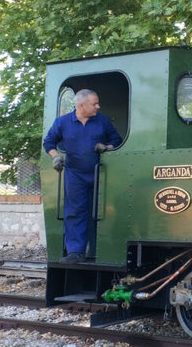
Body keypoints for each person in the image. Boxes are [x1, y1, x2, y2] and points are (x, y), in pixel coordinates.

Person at [43, 89, 122, 263]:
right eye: (94, 104)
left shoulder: (103, 121)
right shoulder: (62, 122)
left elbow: (116, 140)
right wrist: (55, 157)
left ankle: (95, 250)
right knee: (75, 211)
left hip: (100, 172)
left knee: (98, 212)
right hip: (74, 174)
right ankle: (75, 252)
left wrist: (106, 147)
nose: (98, 107)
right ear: (81, 105)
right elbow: (48, 142)